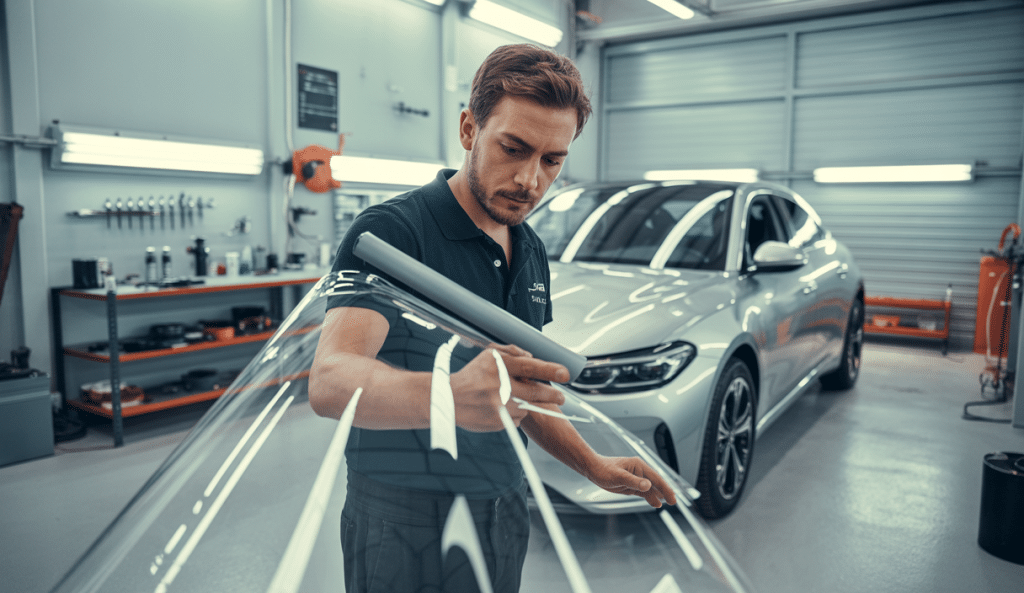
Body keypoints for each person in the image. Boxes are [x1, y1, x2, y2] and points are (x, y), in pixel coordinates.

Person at [308, 43, 676, 593]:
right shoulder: (394, 232)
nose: (530, 180)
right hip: (403, 518)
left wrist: (592, 465)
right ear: (468, 129)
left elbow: (521, 393)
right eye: (513, 148)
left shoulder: (529, 249)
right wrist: (446, 396)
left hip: (503, 505)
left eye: (552, 160)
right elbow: (330, 379)